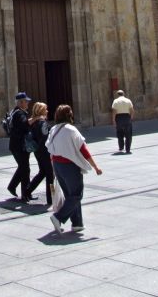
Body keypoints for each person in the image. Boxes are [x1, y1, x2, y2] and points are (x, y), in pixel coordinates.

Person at [46, 104, 102, 234]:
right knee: (76, 194)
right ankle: (58, 217)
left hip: (57, 165)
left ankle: (77, 223)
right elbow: (84, 150)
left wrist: (54, 167)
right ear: (68, 115)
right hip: (69, 166)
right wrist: (96, 167)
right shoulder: (71, 130)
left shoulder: (54, 129)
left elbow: (50, 147)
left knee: (70, 195)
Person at [7, 92, 33, 202]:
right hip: (19, 146)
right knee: (25, 169)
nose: (27, 103)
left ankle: (13, 187)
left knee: (23, 168)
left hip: (16, 145)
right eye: (26, 101)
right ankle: (25, 194)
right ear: (21, 102)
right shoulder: (19, 114)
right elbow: (25, 125)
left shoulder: (15, 112)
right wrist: (36, 118)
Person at [25, 101, 53, 205]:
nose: (47, 111)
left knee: (42, 172)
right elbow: (45, 137)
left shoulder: (34, 122)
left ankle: (27, 191)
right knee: (50, 175)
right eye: (45, 109)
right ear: (41, 111)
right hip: (45, 152)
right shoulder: (42, 123)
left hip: (37, 151)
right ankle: (51, 197)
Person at [111, 89, 134, 153]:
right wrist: (131, 118)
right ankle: (128, 149)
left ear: (117, 95)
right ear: (123, 94)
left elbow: (114, 111)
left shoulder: (115, 101)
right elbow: (132, 110)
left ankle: (121, 147)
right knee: (128, 134)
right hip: (127, 117)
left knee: (120, 133)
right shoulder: (128, 100)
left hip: (119, 118)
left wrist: (113, 120)